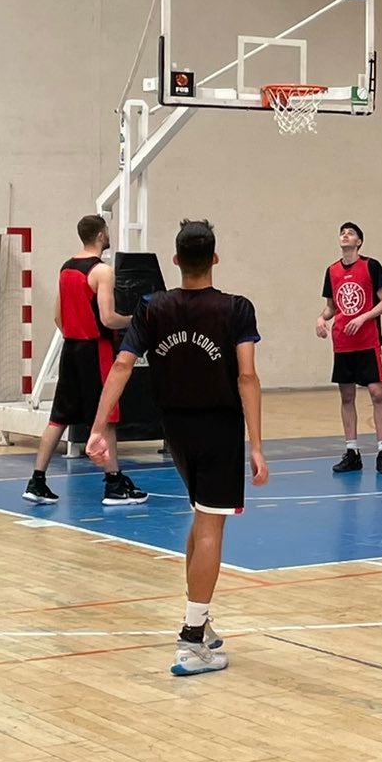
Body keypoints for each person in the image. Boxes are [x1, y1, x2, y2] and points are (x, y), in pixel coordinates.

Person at [91, 219, 268, 677]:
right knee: (212, 527)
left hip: (176, 433)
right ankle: (191, 641)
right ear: (214, 258)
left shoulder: (152, 307)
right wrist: (257, 444)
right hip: (219, 428)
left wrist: (96, 427)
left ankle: (201, 620)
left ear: (174, 261)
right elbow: (247, 376)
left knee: (201, 516)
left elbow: (122, 365)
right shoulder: (236, 309)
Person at [24, 213, 147, 508]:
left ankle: (37, 481)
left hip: (71, 348)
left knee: (59, 417)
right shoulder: (102, 271)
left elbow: (58, 315)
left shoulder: (66, 268)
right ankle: (114, 482)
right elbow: (108, 318)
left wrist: (75, 333)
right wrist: (136, 321)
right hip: (96, 349)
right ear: (102, 235)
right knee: (107, 417)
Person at [318, 221, 382, 475]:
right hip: (342, 343)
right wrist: (321, 319)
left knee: (377, 394)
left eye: (350, 233)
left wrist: (363, 317)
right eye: (342, 232)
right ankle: (352, 451)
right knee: (347, 397)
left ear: (359, 241)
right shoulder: (331, 271)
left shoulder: (371, 266)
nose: (345, 235)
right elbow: (331, 307)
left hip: (367, 340)